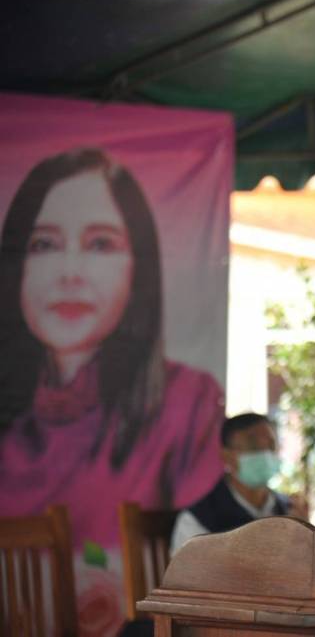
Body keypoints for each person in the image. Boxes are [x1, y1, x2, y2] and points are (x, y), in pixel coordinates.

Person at [0, 148, 224, 551]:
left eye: (100, 244)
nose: (70, 273)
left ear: (138, 267)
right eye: (44, 244)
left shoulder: (190, 402)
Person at [169, 413, 307, 554]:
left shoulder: (290, 511)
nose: (265, 454)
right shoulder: (197, 521)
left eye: (271, 446)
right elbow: (187, 568)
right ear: (226, 456)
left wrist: (305, 536)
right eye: (253, 446)